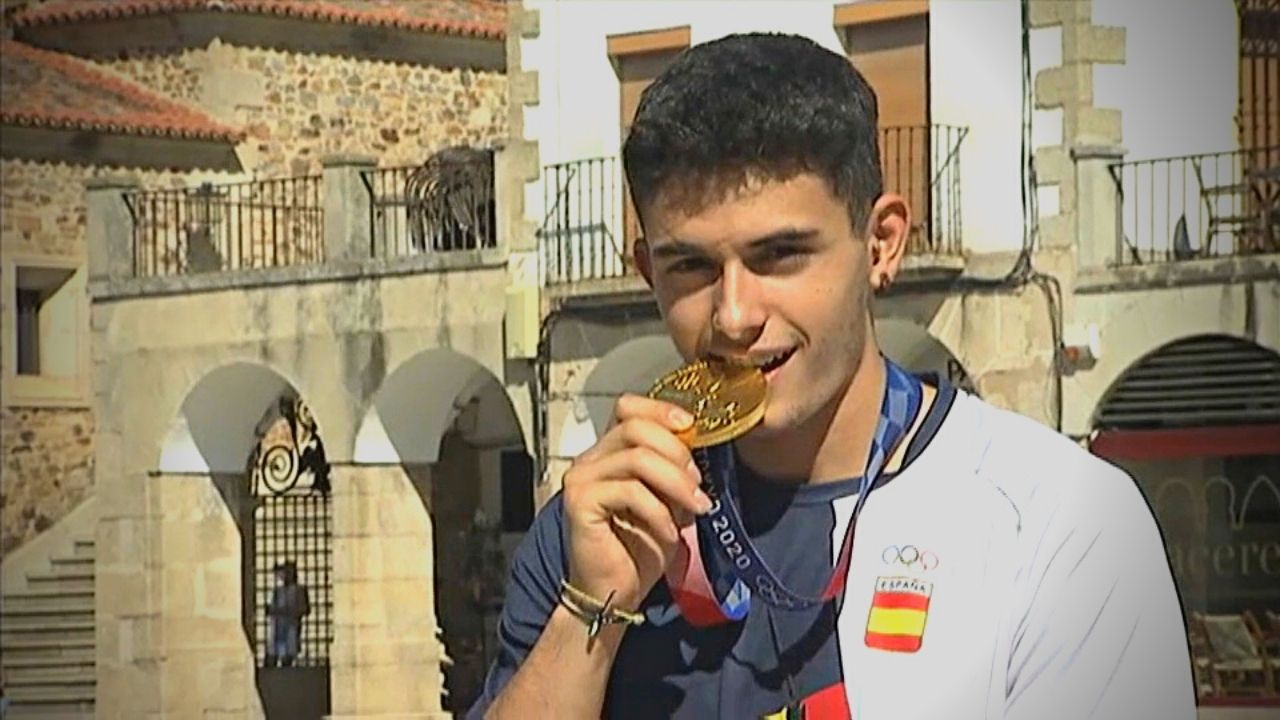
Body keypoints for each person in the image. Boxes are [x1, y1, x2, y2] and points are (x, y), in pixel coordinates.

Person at [469, 33, 1196, 719]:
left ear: (881, 245)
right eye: (689, 266)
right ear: (646, 272)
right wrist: (590, 609)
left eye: (781, 255)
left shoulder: (1059, 520)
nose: (734, 314)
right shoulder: (599, 520)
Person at [266, 560, 310, 668]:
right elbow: (272, 610)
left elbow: (305, 609)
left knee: (288, 658)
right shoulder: (277, 591)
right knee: (272, 656)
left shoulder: (300, 590)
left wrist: (291, 611)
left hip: (291, 627)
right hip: (278, 628)